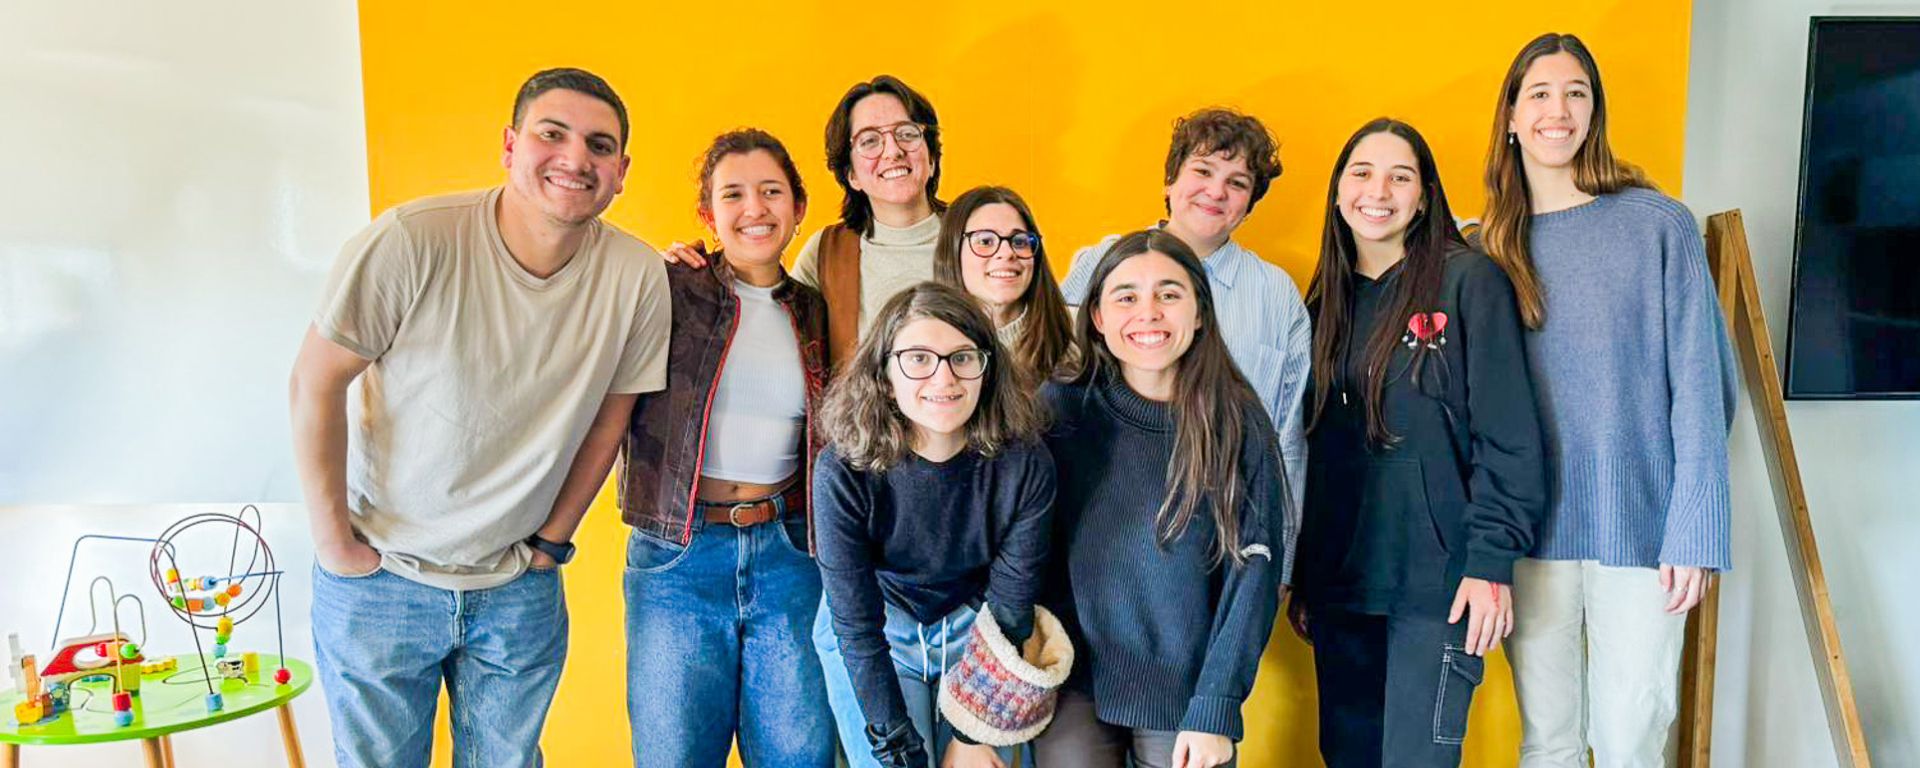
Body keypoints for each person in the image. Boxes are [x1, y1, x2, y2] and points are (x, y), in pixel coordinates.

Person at [289, 68, 669, 767]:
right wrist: (335, 545)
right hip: (383, 581)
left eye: (599, 144)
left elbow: (609, 425)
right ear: (510, 144)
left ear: (621, 172)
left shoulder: (637, 276)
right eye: (551, 134)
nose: (575, 158)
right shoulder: (412, 239)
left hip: (515, 592)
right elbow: (315, 384)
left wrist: (551, 545)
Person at [1478, 32, 1736, 768]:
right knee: (1548, 743)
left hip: (1644, 532)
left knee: (1628, 744)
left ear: (1595, 112)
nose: (1558, 110)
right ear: (1512, 116)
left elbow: (1704, 389)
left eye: (1576, 94)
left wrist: (1696, 529)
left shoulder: (1658, 224)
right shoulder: (1485, 245)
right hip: (1529, 535)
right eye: (1540, 93)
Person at [1288, 118, 1546, 767]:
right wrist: (1307, 579)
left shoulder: (1469, 284)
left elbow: (1508, 436)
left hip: (1440, 586)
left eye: (1400, 175)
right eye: (1362, 173)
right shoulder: (1324, 306)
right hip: (1343, 591)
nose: (1379, 190)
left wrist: (1490, 564)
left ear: (1425, 195)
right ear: (1339, 192)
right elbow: (1315, 455)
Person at [618, 128, 835, 767]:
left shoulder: (818, 313)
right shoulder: (667, 289)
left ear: (798, 207)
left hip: (791, 555)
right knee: (674, 756)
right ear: (708, 215)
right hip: (677, 556)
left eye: (772, 192)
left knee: (799, 755)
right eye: (733, 195)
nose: (755, 209)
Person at [1033, 230, 1289, 768]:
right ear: (1098, 317)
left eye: (1169, 294)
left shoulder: (1238, 423)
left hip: (1186, 690)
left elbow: (1255, 576)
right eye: (1126, 296)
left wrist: (1216, 705)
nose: (1148, 313)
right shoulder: (1059, 410)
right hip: (1073, 681)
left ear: (1199, 312)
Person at [811, 282, 1055, 768]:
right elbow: (856, 628)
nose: (944, 378)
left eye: (963, 357)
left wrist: (972, 733)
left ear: (987, 369)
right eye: (918, 358)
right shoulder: (842, 469)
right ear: (883, 374)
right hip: (878, 628)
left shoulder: (1024, 462)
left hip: (980, 629)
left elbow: (1011, 604)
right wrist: (895, 746)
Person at [1059, 108, 1310, 525]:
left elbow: (1288, 437)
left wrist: (1282, 556)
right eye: (1203, 170)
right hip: (1104, 514)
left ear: (1249, 204)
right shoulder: (1099, 262)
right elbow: (1058, 385)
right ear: (1170, 180)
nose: (1216, 191)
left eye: (1237, 183)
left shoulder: (1275, 292)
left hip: (1231, 521)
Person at [666, 75, 947, 365]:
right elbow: (769, 324)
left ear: (931, 157)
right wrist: (683, 276)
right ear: (851, 174)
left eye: (907, 133)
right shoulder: (830, 253)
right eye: (870, 141)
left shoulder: (977, 235)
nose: (893, 151)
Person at [932, 185, 1075, 383]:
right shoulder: (922, 342)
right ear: (952, 253)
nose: (1007, 252)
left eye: (1019, 241)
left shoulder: (1077, 333)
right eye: (985, 241)